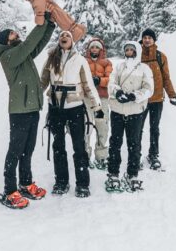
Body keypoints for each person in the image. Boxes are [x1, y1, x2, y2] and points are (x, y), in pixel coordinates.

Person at [0, 15, 56, 209]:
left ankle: (25, 183)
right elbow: (29, 43)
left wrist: (50, 26)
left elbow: (38, 44)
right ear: (6, 40)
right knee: (15, 150)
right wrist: (42, 22)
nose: (16, 34)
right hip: (19, 110)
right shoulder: (8, 55)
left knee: (27, 150)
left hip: (32, 107)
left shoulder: (22, 53)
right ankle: (10, 189)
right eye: (12, 34)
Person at [40, 29, 102, 197]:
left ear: (72, 41)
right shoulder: (51, 58)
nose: (64, 37)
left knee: (79, 146)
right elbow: (43, 81)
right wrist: (35, 99)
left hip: (75, 107)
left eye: (67, 35)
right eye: (61, 36)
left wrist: (97, 106)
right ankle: (61, 181)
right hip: (55, 108)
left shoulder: (79, 60)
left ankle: (82, 184)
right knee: (58, 146)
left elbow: (87, 84)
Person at [105, 41, 154, 193]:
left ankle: (132, 174)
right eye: (127, 49)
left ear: (137, 51)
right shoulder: (119, 66)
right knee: (115, 143)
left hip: (135, 111)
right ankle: (113, 173)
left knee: (134, 144)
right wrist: (118, 92)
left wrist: (134, 95)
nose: (129, 51)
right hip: (118, 110)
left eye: (132, 49)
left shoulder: (144, 68)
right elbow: (111, 83)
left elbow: (149, 88)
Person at [139, 28, 176, 170]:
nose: (147, 39)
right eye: (145, 37)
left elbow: (166, 78)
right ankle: (135, 155)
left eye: (150, 37)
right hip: (141, 100)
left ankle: (153, 155)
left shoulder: (161, 56)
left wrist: (172, 95)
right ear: (142, 40)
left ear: (154, 40)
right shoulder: (138, 56)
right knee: (137, 129)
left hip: (156, 99)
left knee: (154, 128)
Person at [84, 37, 113, 170]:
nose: (94, 49)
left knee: (102, 126)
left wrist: (99, 80)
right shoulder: (83, 61)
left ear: (101, 49)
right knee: (86, 127)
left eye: (97, 47)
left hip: (102, 98)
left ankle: (101, 157)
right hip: (86, 98)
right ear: (89, 49)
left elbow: (110, 79)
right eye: (92, 47)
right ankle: (85, 155)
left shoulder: (106, 62)